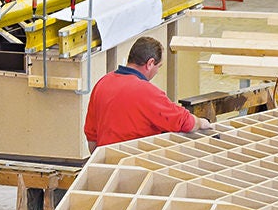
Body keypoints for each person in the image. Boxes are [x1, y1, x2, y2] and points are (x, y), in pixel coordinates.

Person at [83, 35, 213, 150]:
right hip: (136, 164)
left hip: (103, 163)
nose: (157, 72)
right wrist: (201, 122)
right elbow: (183, 121)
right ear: (150, 63)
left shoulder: (103, 83)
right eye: (158, 67)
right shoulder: (147, 92)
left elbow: (91, 137)